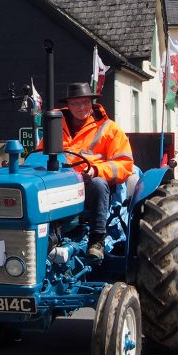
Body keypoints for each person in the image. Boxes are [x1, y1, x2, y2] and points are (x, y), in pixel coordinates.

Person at [57, 82, 134, 261]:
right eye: (75, 103)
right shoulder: (55, 128)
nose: (80, 107)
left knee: (98, 183)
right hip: (63, 185)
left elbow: (124, 164)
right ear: (68, 105)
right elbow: (40, 157)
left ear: (92, 103)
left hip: (94, 188)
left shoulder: (110, 129)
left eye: (84, 102)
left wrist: (97, 170)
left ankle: (97, 240)